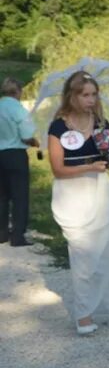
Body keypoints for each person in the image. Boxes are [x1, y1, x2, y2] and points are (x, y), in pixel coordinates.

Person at [46, 71, 109, 335]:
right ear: (71, 95)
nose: (91, 99)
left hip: (99, 192)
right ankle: (83, 314)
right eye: (85, 95)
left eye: (94, 94)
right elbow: (58, 169)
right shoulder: (58, 127)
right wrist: (88, 166)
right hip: (71, 195)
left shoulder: (100, 123)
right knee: (84, 255)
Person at [0, 78, 39, 246]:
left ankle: (1, 233)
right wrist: (35, 142)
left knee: (1, 196)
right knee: (19, 196)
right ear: (18, 91)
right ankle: (17, 236)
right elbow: (26, 136)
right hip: (15, 154)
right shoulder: (19, 110)